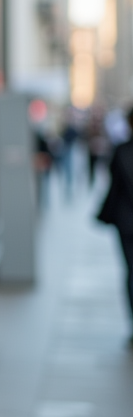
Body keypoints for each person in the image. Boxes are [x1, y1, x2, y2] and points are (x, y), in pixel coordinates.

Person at [97, 106, 133, 345]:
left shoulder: (122, 151)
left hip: (127, 221)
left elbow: (114, 187)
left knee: (131, 272)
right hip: (126, 221)